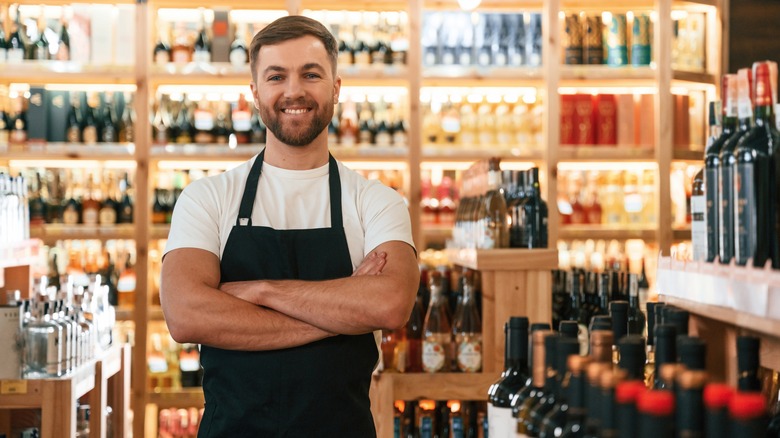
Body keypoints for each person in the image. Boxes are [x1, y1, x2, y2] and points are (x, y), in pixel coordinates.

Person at [160, 15, 419, 437]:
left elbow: (390, 304)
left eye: (311, 74)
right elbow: (185, 315)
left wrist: (261, 291)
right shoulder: (208, 198)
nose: (293, 91)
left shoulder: (375, 201)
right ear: (255, 92)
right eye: (276, 76)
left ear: (336, 88)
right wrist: (342, 311)